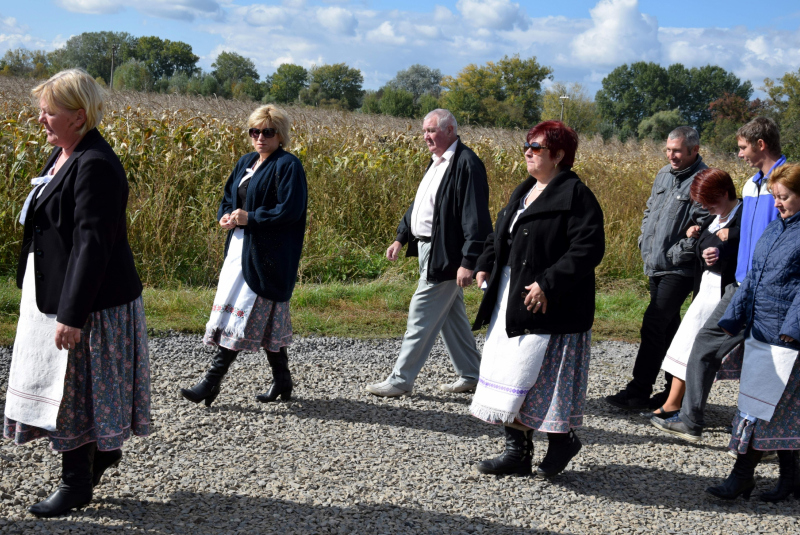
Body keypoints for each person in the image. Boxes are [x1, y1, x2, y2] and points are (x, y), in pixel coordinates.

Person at [3, 69, 150, 517]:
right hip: (59, 293)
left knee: (75, 390)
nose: (41, 120)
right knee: (69, 387)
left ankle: (77, 483)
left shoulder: (96, 165)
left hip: (92, 303)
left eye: (49, 112)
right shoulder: (63, 155)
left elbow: (93, 244)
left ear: (79, 115)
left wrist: (72, 314)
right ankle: (101, 455)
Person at [470, 121, 605, 477]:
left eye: (536, 147)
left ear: (559, 155)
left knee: (539, 381)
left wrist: (548, 283)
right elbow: (501, 235)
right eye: (526, 145)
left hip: (549, 305)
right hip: (511, 298)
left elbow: (588, 248)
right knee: (510, 374)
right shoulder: (525, 190)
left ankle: (562, 440)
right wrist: (485, 263)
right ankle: (517, 453)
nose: (528, 152)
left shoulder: (576, 196)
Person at [652, 117, 785, 442]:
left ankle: (769, 440)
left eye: (742, 147)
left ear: (761, 144)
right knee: (704, 346)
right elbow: (747, 235)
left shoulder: (782, 183)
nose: (739, 154)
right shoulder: (754, 183)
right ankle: (691, 420)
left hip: (767, 289)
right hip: (740, 286)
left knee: (771, 364)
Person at [180, 105, 307, 406]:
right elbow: (229, 198)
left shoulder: (288, 166)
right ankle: (283, 381)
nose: (260, 138)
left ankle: (210, 383)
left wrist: (252, 217)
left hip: (268, 256)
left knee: (248, 311)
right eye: (255, 131)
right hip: (239, 249)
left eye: (268, 132)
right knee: (267, 320)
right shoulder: (246, 162)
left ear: (280, 135)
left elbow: (290, 210)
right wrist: (226, 216)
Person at [365, 109, 493, 397]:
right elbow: (421, 205)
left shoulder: (466, 164)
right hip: (426, 247)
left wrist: (469, 260)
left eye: (431, 130)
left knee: (420, 313)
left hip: (447, 254)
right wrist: (401, 237)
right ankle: (472, 374)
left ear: (450, 131)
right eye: (424, 131)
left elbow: (476, 217)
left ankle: (400, 380)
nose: (426, 136)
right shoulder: (436, 162)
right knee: (451, 317)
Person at [706, 162, 800, 501]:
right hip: (761, 332)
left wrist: (794, 329)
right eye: (775, 197)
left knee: (759, 410)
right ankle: (792, 481)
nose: (777, 204)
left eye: (785, 197)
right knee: (776, 410)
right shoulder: (776, 230)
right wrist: (732, 318)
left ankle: (742, 478)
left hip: (787, 340)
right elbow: (754, 278)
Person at [606, 126, 708, 411]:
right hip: (655, 264)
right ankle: (671, 392)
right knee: (670, 328)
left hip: (679, 269)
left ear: (694, 150)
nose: (671, 155)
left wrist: (678, 252)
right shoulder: (664, 174)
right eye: (668, 149)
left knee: (653, 323)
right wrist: (644, 241)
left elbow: (704, 227)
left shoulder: (704, 180)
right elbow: (650, 209)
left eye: (677, 151)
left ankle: (638, 391)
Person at [651, 168, 742, 418]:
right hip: (706, 288)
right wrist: (697, 231)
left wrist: (727, 243)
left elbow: (745, 247)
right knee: (685, 344)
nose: (706, 207)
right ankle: (675, 402)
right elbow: (707, 244)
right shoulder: (714, 217)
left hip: (725, 291)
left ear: (725, 193)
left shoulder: (743, 215)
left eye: (709, 201)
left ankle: (683, 406)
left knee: (698, 347)